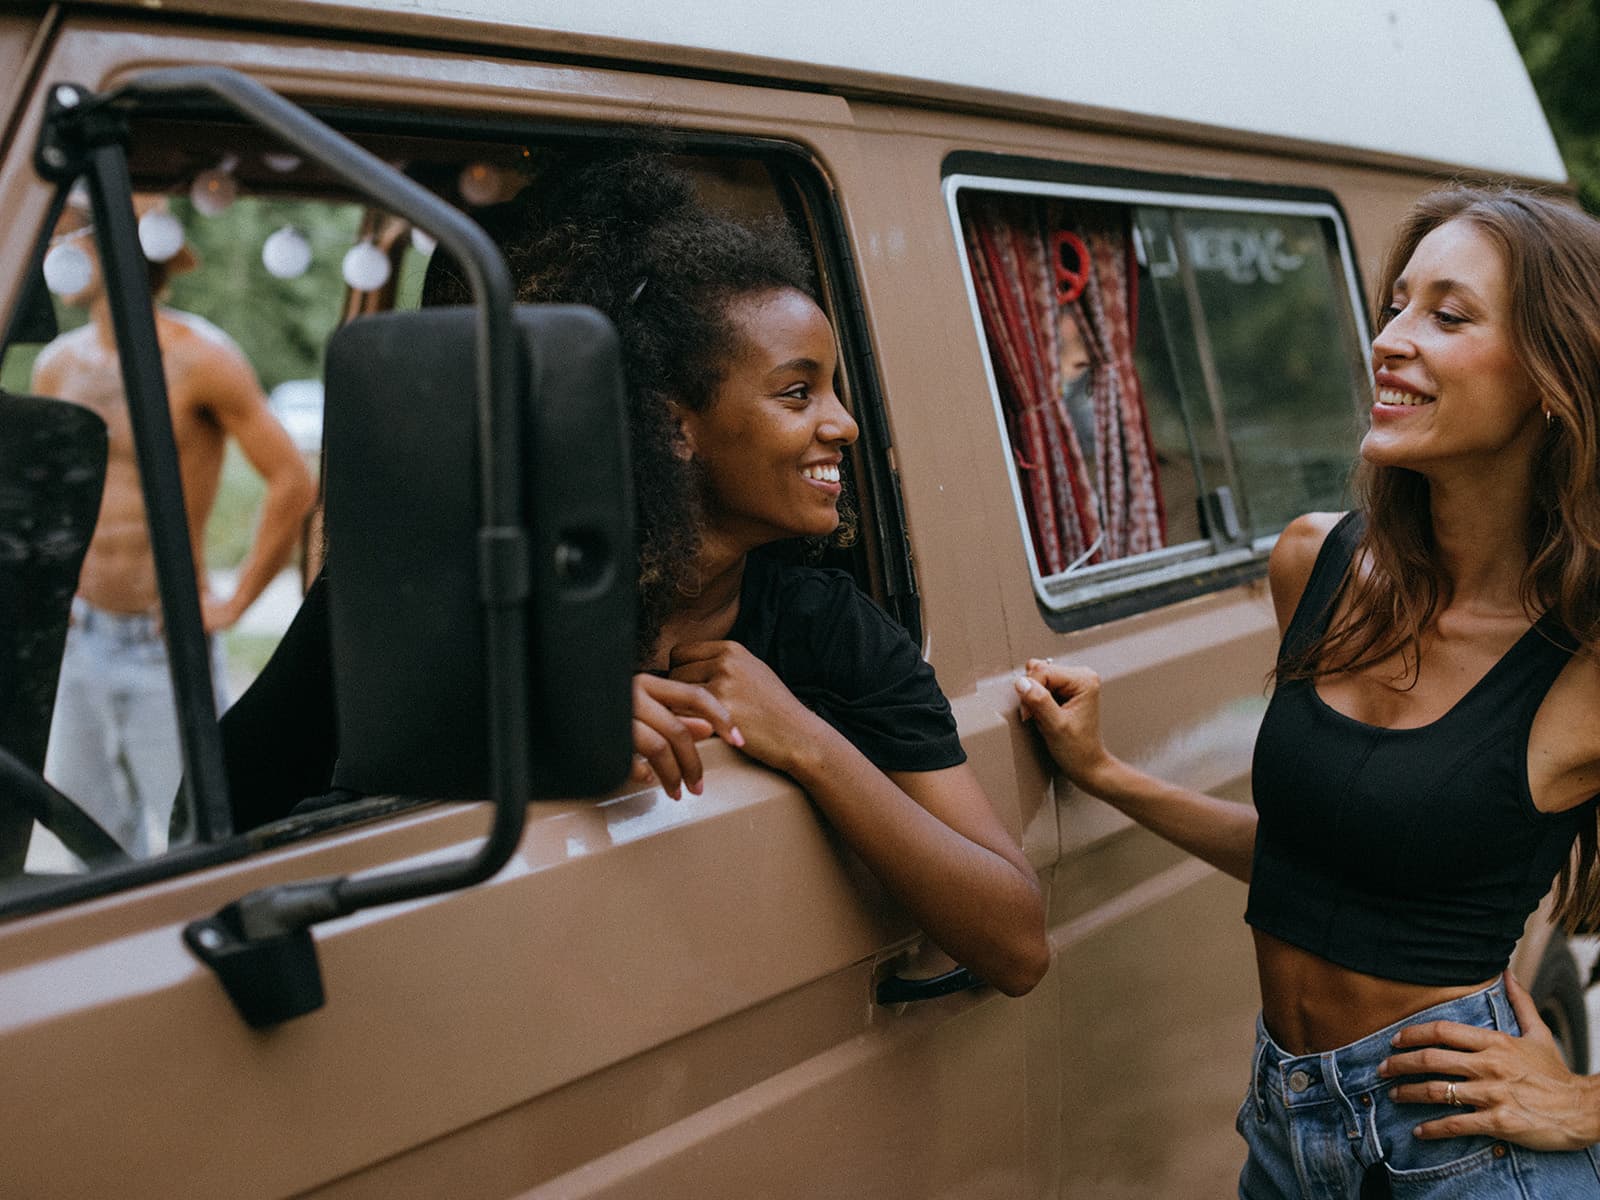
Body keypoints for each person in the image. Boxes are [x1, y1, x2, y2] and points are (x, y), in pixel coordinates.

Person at [226, 145, 1047, 997]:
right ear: (673, 424)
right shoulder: (465, 600)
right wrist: (549, 738)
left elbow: (1018, 943)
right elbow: (226, 827)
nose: (843, 425)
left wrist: (803, 740)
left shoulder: (827, 630)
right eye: (798, 393)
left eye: (833, 390)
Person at [1016, 183, 1600, 1195]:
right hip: (1286, 1134)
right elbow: (1316, 862)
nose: (1391, 339)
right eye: (1395, 307)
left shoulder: (1582, 661)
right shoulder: (1315, 564)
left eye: (1447, 316)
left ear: (1553, 381)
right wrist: (1104, 775)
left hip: (1462, 1155)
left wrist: (1590, 1101)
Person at [33, 195, 316, 857]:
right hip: (77, 638)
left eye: (72, 239)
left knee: (199, 840)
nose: (59, 255)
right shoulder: (57, 364)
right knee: (88, 837)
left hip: (165, 647)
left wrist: (236, 601)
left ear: (114, 252)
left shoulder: (201, 358)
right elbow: (48, 495)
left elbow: (293, 482)